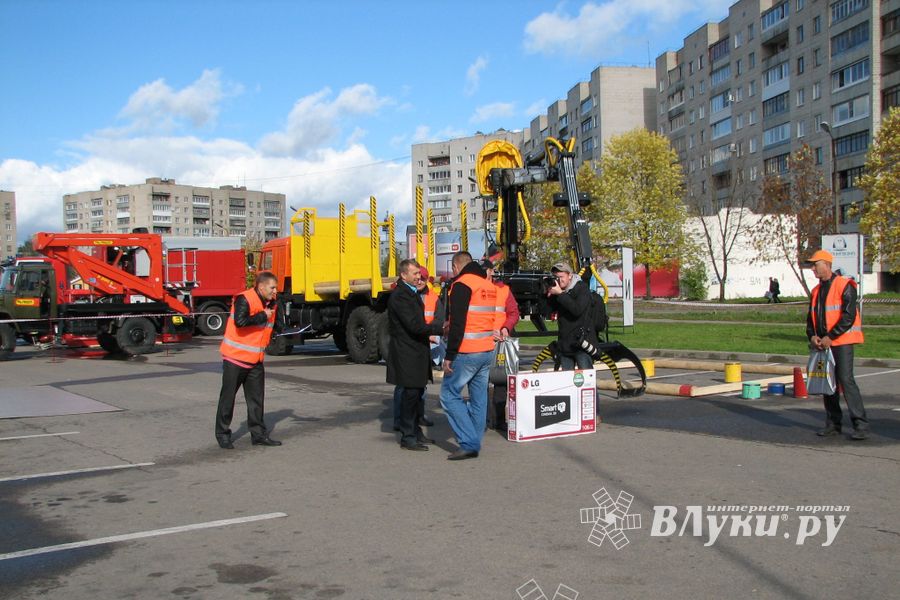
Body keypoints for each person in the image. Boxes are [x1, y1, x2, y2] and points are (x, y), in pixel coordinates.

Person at [215, 271, 283, 449]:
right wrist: (263, 315)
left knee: (256, 400)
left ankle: (258, 434)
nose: (275, 291)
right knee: (228, 398)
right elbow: (240, 321)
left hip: (255, 360)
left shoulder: (272, 303)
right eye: (272, 287)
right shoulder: (244, 299)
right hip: (235, 359)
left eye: (276, 288)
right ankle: (222, 434)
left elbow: (271, 327)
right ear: (261, 287)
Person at [440, 251, 498, 460]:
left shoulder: (462, 285)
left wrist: (449, 355)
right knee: (479, 396)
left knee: (448, 395)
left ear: (456, 267)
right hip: (486, 348)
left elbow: (458, 323)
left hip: (467, 350)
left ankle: (469, 443)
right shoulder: (489, 286)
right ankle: (474, 436)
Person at [806, 249, 868, 441]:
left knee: (845, 380)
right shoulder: (816, 291)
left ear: (827, 264)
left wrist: (830, 336)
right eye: (813, 265)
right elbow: (811, 319)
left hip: (841, 341)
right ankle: (833, 424)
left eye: (816, 264)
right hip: (823, 343)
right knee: (828, 383)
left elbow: (848, 316)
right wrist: (812, 336)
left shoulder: (844, 285)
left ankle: (860, 424)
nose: (813, 269)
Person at [387, 259, 444, 451]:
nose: (418, 277)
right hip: (407, 352)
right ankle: (408, 436)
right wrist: (439, 328)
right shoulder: (400, 296)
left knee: (417, 393)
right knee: (410, 395)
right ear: (404, 275)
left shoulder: (411, 293)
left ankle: (416, 432)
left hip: (416, 350)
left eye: (419, 273)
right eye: (414, 273)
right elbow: (414, 325)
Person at [482, 258, 519, 432]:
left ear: (491, 271)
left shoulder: (504, 290)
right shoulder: (475, 289)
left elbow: (513, 313)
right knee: (480, 382)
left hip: (500, 342)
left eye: (486, 269)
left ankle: (498, 419)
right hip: (482, 341)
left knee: (501, 381)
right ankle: (482, 419)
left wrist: (505, 328)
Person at [546, 261, 597, 370]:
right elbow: (547, 311)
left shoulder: (582, 288)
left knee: (586, 378)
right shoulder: (559, 291)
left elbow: (577, 310)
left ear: (570, 276)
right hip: (565, 344)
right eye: (555, 277)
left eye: (561, 276)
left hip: (582, 343)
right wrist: (545, 294)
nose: (559, 280)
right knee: (567, 380)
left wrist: (561, 294)